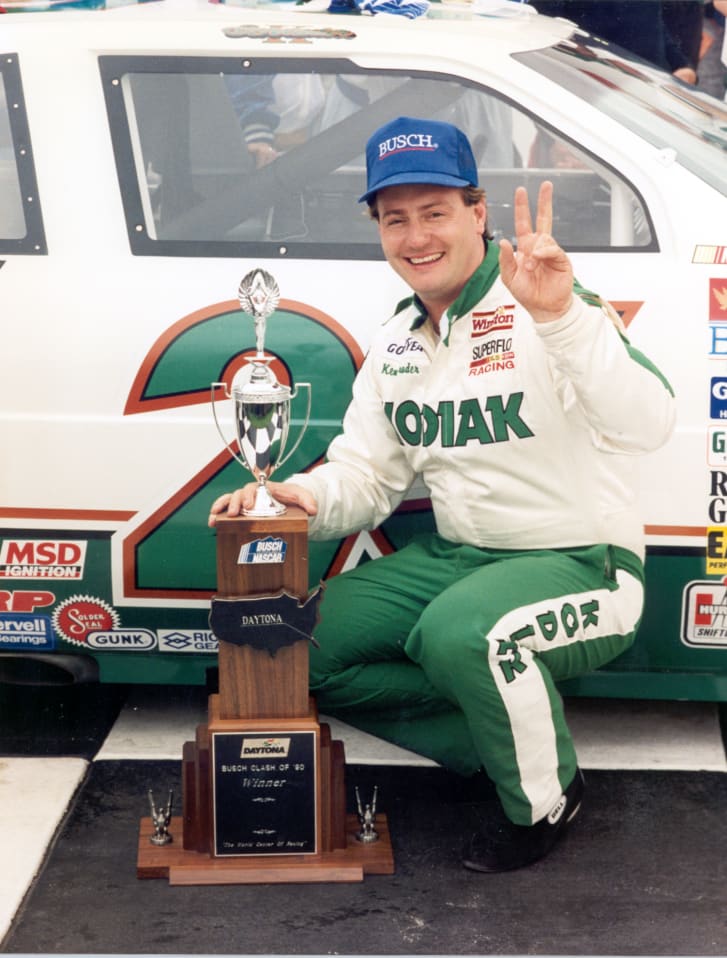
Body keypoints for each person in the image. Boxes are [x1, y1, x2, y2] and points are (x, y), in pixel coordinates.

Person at [209, 116, 676, 872]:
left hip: (583, 561)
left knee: (463, 633)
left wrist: (559, 318)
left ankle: (544, 799)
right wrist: (295, 496)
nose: (415, 236)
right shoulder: (397, 341)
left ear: (477, 213)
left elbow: (648, 423)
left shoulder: (548, 300)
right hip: (461, 558)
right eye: (395, 219)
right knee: (291, 642)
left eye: (434, 213)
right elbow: (366, 476)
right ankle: (492, 745)